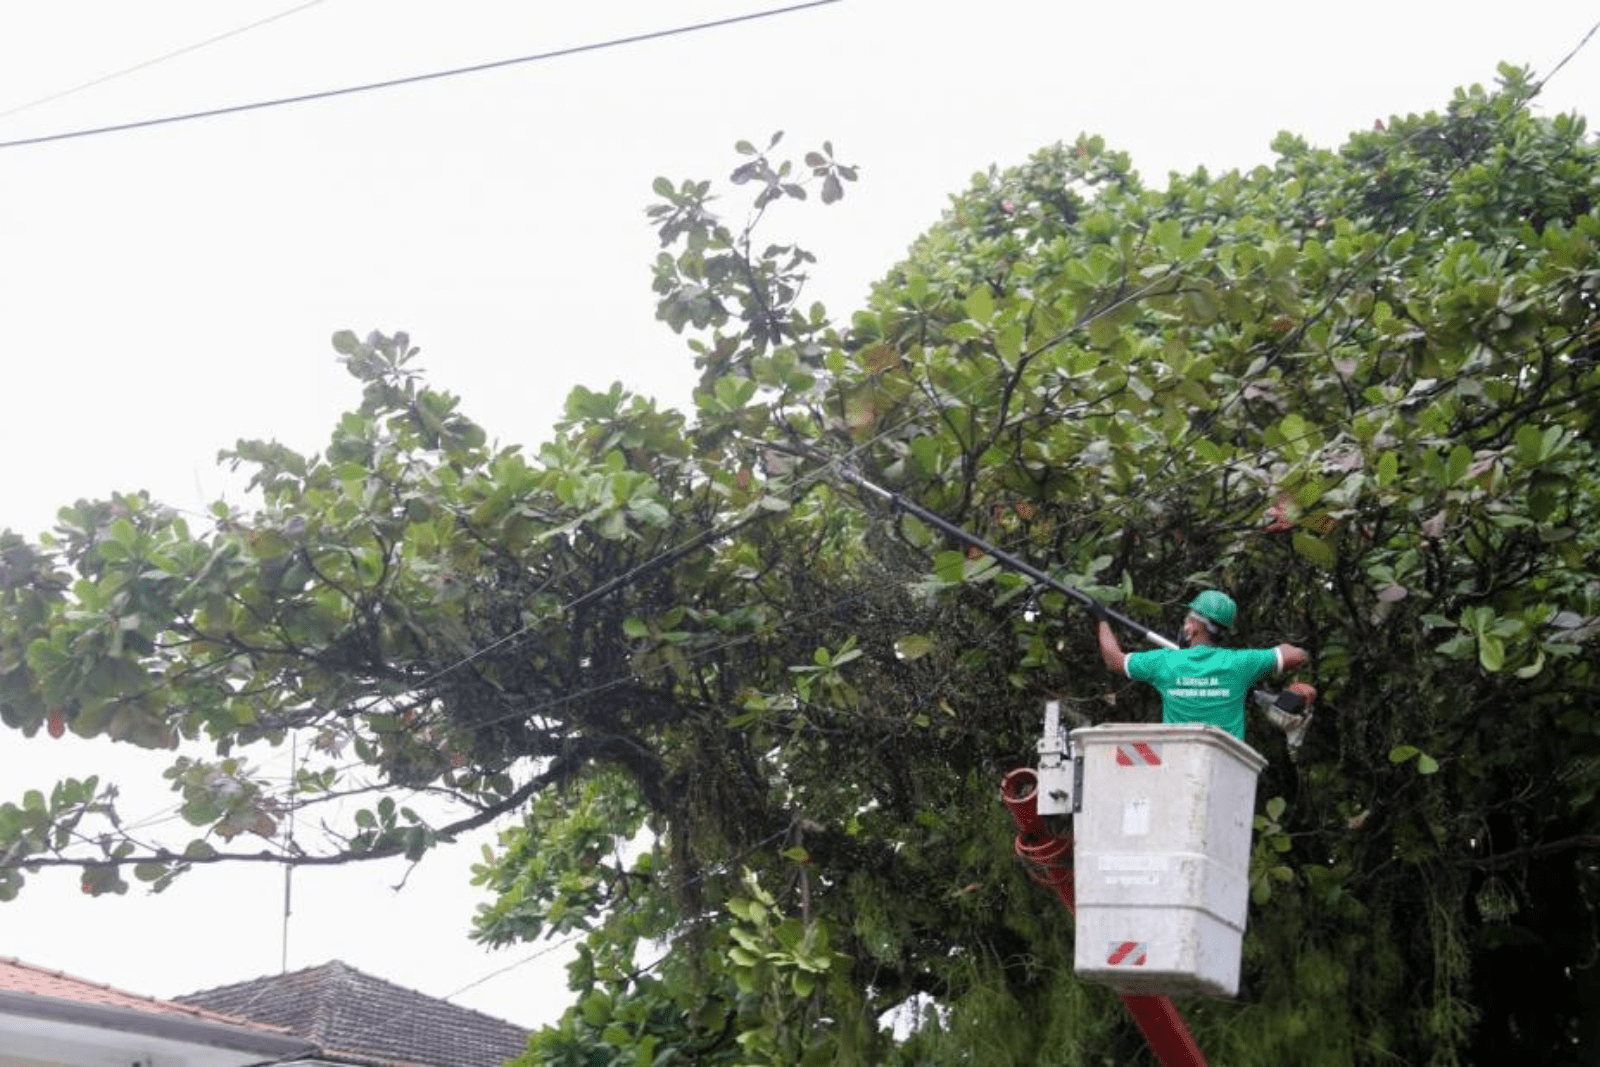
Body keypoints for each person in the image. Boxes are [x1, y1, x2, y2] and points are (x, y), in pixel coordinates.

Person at [1092, 590, 1311, 745]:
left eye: (1188, 619)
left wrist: (1101, 619)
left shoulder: (1165, 662)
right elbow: (1298, 655)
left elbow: (1114, 660)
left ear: (1195, 627)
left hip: (1178, 760)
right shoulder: (1241, 663)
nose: (1184, 624)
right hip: (1228, 765)